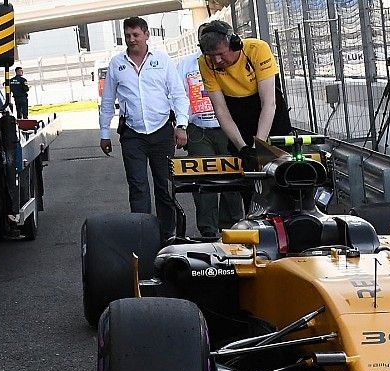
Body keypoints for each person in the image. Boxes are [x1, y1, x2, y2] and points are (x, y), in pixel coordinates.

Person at [99, 16, 189, 242]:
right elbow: (108, 100)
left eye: (136, 35)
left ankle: (168, 235)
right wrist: (104, 133)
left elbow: (179, 94)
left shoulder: (162, 60)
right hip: (132, 134)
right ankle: (143, 236)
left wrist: (181, 125)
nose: (131, 40)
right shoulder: (116, 64)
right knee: (138, 187)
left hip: (161, 133)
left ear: (147, 35)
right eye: (127, 35)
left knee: (165, 187)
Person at [197, 21, 292, 176]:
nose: (217, 61)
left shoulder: (257, 49)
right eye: (212, 56)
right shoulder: (205, 63)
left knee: (281, 175)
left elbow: (269, 103)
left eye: (221, 54)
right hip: (238, 114)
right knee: (245, 177)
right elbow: (220, 110)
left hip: (269, 114)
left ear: (235, 44)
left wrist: (258, 147)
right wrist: (243, 148)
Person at [177, 23, 244, 238]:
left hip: (227, 128)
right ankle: (208, 229)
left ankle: (232, 225)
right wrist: (182, 125)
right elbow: (179, 96)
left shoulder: (227, 60)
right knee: (204, 178)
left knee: (231, 177)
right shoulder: (186, 64)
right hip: (199, 129)